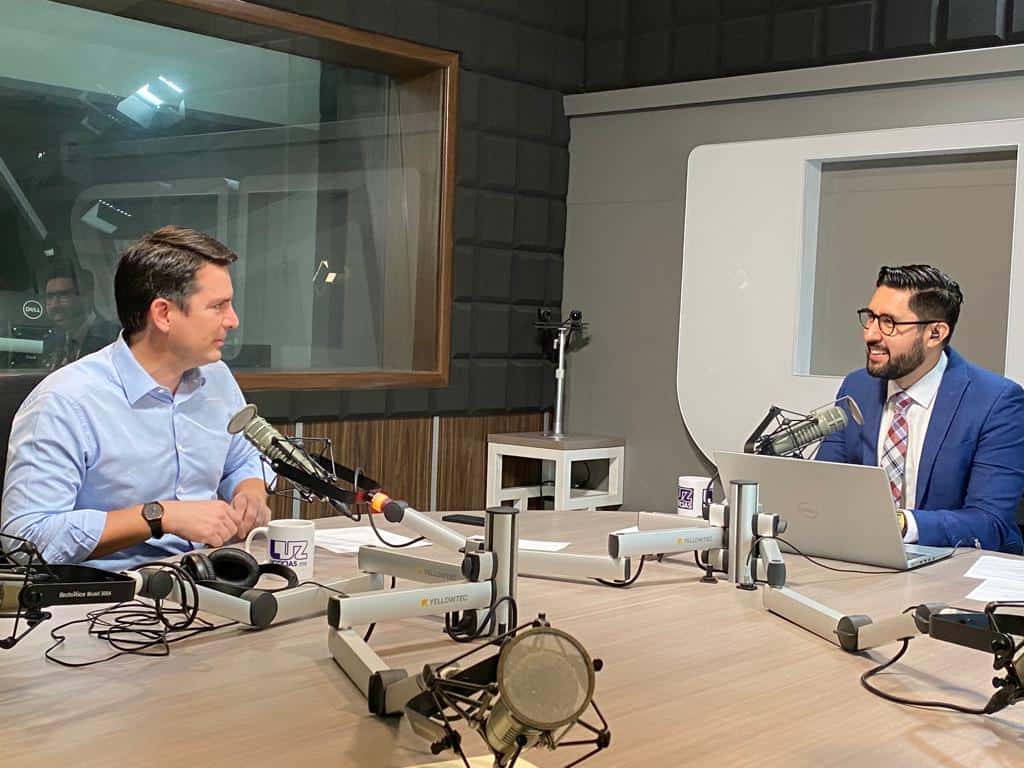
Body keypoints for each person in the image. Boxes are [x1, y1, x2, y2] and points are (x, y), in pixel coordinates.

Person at [1, 226, 271, 571]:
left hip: (204, 576)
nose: (232, 321)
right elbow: (25, 540)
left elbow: (243, 457)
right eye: (218, 307)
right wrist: (158, 516)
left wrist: (249, 491)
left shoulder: (216, 379)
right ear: (163, 314)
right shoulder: (66, 401)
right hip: (105, 598)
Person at [817, 265, 1024, 554]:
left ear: (935, 333)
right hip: (864, 562)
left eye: (889, 322)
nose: (871, 335)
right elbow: (824, 485)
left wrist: (898, 523)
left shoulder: (996, 401)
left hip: (954, 570)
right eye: (871, 318)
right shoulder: (857, 387)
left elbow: (990, 523)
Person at [41, 262, 120, 371]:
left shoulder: (113, 338)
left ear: (86, 297)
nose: (55, 305)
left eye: (63, 295)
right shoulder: (50, 343)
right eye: (50, 297)